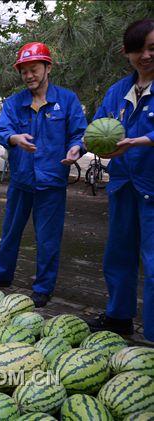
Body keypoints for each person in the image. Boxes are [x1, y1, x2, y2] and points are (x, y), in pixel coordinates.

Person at [0, 42, 87, 307]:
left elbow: (79, 133)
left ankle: (43, 287)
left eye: (34, 69)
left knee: (48, 238)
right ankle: (1, 275)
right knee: (10, 231)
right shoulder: (14, 103)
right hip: (21, 180)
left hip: (51, 182)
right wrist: (14, 138)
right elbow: (2, 131)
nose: (29, 75)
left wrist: (76, 148)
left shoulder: (67, 100)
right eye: (24, 71)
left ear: (48, 68)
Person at [87, 19, 154, 340]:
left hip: (151, 187)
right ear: (127, 53)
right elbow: (96, 127)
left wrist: (137, 142)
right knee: (118, 254)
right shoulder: (118, 92)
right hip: (123, 185)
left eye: (152, 48)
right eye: (139, 49)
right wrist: (88, 144)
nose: (146, 55)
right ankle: (119, 316)